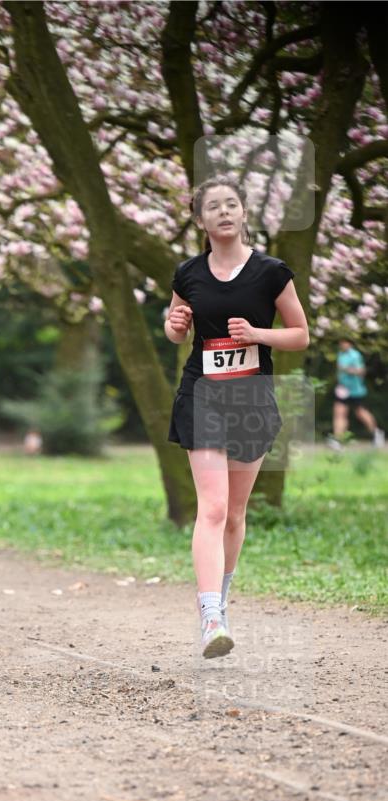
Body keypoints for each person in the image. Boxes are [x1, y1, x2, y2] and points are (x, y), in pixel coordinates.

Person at [164, 176, 309, 658]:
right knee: (213, 507)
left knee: (236, 513)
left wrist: (257, 336)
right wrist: (175, 324)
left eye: (231, 204)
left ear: (244, 213)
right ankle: (210, 618)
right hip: (202, 395)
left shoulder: (271, 272)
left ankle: (220, 602)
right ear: (199, 219)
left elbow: (300, 334)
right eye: (213, 207)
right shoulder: (187, 274)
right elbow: (175, 328)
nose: (224, 212)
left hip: (250, 401)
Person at [329, 338, 384, 450]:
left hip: (355, 390)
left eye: (344, 342)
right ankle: (338, 440)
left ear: (349, 343)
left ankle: (376, 433)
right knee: (339, 413)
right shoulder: (340, 354)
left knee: (360, 413)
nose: (342, 344)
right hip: (343, 389)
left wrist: (347, 370)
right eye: (341, 342)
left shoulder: (355, 355)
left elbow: (361, 371)